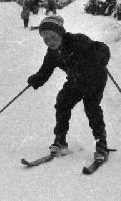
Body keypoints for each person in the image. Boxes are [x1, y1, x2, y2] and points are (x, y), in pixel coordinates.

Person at [27, 15, 111, 162]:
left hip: (95, 78)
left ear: (60, 33)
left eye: (53, 37)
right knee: (62, 102)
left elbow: (102, 48)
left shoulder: (77, 41)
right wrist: (36, 79)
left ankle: (101, 143)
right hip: (76, 80)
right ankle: (60, 140)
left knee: (91, 107)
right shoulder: (52, 54)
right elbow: (45, 71)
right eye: (46, 39)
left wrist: (101, 57)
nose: (50, 42)